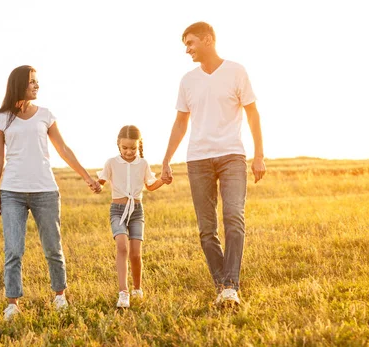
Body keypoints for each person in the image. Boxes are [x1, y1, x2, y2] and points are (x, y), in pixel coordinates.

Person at [161, 22, 266, 306]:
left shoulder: (236, 71)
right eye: (185, 44)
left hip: (232, 155)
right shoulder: (187, 80)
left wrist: (259, 154)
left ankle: (230, 285)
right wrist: (167, 159)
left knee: (234, 218)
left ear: (208, 40)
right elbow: (181, 122)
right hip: (198, 160)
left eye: (191, 42)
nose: (187, 49)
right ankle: (224, 287)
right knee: (207, 230)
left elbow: (252, 114)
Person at [0, 65, 101, 321]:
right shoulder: (0, 118)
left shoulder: (46, 115)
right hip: (12, 192)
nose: (36, 85)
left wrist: (86, 177)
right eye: (31, 82)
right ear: (19, 84)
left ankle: (60, 296)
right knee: (13, 250)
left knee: (53, 247)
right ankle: (13, 304)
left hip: (46, 191)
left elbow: (63, 149)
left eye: (37, 81)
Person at [97, 125, 164, 308]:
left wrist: (163, 180)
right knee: (121, 246)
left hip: (136, 211)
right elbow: (101, 181)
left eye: (133, 148)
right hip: (117, 210)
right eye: (125, 148)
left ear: (139, 145)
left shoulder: (143, 164)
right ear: (118, 145)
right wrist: (97, 186)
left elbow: (150, 186)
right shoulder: (111, 162)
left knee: (135, 253)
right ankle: (123, 292)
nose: (128, 152)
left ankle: (137, 289)